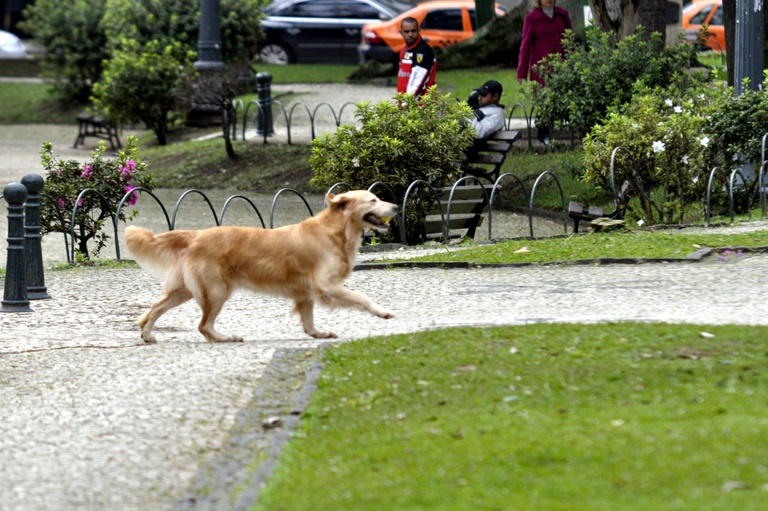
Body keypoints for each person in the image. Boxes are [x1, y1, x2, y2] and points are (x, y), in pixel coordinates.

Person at [516, 0, 572, 145]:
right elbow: (525, 45)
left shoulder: (562, 15)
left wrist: (572, 62)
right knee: (544, 100)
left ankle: (567, 129)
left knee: (564, 97)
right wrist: (521, 72)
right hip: (542, 69)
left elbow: (570, 40)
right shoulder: (531, 18)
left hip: (561, 66)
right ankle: (544, 132)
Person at [464, 79, 505, 160]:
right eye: (479, 95)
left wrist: (469, 113)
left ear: (495, 97)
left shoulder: (497, 114)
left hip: (470, 148)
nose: (479, 98)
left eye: (483, 95)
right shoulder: (481, 107)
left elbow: (479, 132)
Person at [397, 17, 436, 98]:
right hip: (407, 101)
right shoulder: (405, 50)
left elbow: (418, 81)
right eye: (407, 32)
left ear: (418, 31)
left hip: (420, 103)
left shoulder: (423, 51)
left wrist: (407, 101)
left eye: (413, 31)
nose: (410, 34)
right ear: (401, 32)